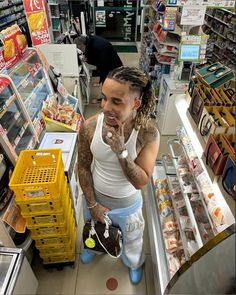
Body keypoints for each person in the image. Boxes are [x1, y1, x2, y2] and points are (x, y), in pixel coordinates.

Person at [77, 66, 160, 285]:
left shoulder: (148, 133)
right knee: (93, 232)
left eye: (116, 101)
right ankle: (94, 250)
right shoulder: (90, 127)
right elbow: (83, 167)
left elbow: (141, 181)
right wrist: (93, 205)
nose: (105, 108)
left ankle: (133, 263)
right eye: (103, 99)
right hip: (96, 201)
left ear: (136, 103)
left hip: (128, 207)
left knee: (132, 243)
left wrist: (122, 152)